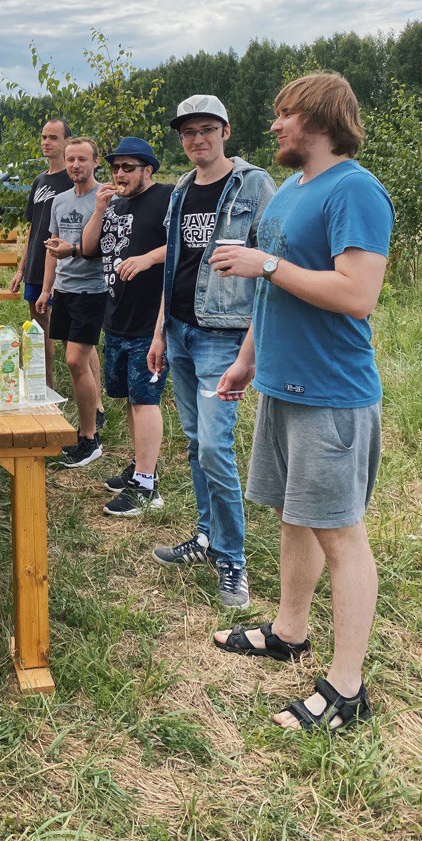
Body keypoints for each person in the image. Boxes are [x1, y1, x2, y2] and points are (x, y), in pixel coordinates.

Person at [211, 73, 393, 732]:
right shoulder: (292, 189)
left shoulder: (356, 191)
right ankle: (289, 631)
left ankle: (347, 690)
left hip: (332, 396)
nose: (276, 126)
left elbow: (355, 294)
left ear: (315, 119)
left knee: (341, 536)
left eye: (284, 114)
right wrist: (245, 361)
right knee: (295, 514)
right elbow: (274, 290)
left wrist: (263, 264)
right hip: (281, 385)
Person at [147, 95, 276, 609]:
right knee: (196, 439)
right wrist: (159, 331)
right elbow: (174, 265)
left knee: (213, 448)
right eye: (187, 132)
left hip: (223, 336)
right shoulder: (181, 188)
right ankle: (205, 537)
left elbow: (271, 267)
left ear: (225, 129)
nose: (196, 139)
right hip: (179, 331)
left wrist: (250, 348)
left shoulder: (254, 184)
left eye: (206, 130)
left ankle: (233, 561)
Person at [81, 138, 171, 516]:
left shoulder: (166, 198)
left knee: (146, 401)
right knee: (133, 401)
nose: (120, 174)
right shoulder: (114, 204)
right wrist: (99, 209)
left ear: (148, 169)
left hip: (149, 321)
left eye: (129, 168)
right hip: (116, 316)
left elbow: (188, 247)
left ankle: (148, 488)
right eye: (116, 167)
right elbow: (88, 248)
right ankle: (139, 468)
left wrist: (149, 258)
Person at [37, 137, 107, 468]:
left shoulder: (105, 199)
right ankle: (92, 416)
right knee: (78, 359)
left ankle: (89, 439)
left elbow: (102, 248)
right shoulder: (60, 201)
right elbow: (53, 249)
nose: (75, 165)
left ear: (95, 162)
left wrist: (74, 250)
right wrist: (47, 289)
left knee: (76, 361)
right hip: (64, 289)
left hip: (92, 290)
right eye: (70, 160)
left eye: (82, 159)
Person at [10, 117, 72, 385]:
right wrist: (21, 268)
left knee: (73, 336)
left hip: (66, 268)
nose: (46, 142)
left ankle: (95, 404)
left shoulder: (73, 178)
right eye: (44, 137)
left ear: (67, 142)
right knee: (39, 330)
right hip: (36, 266)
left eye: (53, 138)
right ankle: (46, 387)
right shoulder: (39, 180)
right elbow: (33, 228)